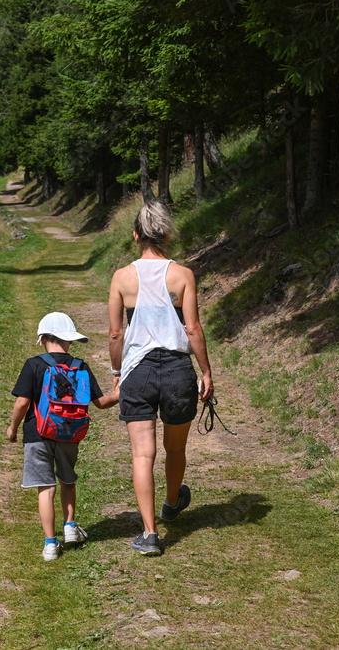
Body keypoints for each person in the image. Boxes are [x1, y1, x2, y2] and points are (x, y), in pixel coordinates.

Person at [108, 200, 214, 556]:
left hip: (137, 370)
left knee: (143, 455)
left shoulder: (122, 278)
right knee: (176, 448)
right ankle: (171, 503)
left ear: (135, 236)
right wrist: (206, 372)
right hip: (177, 370)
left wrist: (117, 373)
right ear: (167, 235)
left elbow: (115, 334)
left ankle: (150, 534)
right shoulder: (182, 275)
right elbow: (193, 328)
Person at [7, 312, 118, 561]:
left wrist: (13, 428)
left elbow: (22, 403)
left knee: (46, 488)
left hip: (37, 433)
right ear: (69, 340)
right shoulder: (80, 366)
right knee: (67, 480)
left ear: (43, 338)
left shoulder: (33, 364)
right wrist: (119, 394)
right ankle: (69, 527)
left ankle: (50, 545)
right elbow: (100, 403)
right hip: (69, 433)